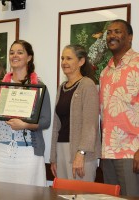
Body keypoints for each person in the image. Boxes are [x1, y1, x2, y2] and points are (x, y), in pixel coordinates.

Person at [99, 19, 139, 198]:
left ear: (130, 37)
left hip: (133, 153)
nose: (112, 35)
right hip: (107, 153)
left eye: (117, 31)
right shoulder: (105, 72)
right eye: (109, 32)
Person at [0, 40, 51, 187]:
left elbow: (46, 121)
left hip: (27, 154)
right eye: (12, 52)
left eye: (20, 52)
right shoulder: (1, 85)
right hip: (1, 152)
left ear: (29, 57)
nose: (15, 55)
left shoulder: (39, 86)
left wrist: (25, 124)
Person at [49, 44, 101, 182]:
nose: (64, 62)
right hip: (61, 150)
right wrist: (53, 157)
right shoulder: (61, 87)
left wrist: (81, 153)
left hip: (81, 152)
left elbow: (91, 124)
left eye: (69, 58)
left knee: (81, 196)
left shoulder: (88, 85)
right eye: (62, 58)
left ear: (81, 61)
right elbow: (56, 125)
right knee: (63, 195)